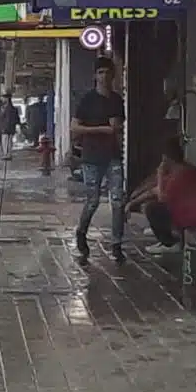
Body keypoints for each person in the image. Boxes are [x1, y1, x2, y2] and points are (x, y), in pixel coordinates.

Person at [72, 58, 126, 265]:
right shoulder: (87, 100)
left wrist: (113, 128)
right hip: (92, 157)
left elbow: (117, 125)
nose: (104, 77)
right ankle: (81, 232)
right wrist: (102, 129)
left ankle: (117, 244)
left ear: (113, 75)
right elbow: (75, 127)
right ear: (95, 76)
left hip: (112, 155)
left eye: (107, 72)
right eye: (100, 72)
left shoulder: (116, 100)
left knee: (118, 200)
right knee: (93, 200)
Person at [126, 142, 196, 247]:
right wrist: (132, 202)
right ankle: (172, 235)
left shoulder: (180, 175)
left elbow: (162, 198)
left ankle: (170, 243)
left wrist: (160, 174)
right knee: (151, 204)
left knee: (152, 209)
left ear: (167, 159)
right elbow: (153, 190)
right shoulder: (182, 169)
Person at [0, 93, 21, 160]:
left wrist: (4, 128)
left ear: (7, 99)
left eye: (3, 98)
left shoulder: (7, 109)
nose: (2, 99)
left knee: (6, 141)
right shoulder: (13, 108)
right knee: (9, 141)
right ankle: (8, 154)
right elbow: (17, 119)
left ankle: (7, 154)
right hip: (10, 128)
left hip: (6, 128)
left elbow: (6, 119)